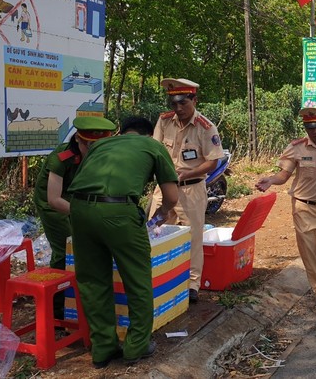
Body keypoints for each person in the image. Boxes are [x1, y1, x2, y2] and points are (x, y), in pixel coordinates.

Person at [65, 116, 179, 369]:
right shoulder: (153, 146)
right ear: (149, 134)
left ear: (123, 132)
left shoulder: (100, 145)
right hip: (119, 212)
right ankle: (136, 346)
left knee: (93, 281)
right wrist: (159, 217)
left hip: (79, 210)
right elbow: (171, 196)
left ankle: (103, 348)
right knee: (137, 279)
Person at [255, 108, 316, 309]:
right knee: (309, 252)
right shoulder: (296, 148)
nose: (314, 132)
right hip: (304, 207)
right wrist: (271, 180)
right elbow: (283, 175)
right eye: (309, 128)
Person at [147, 78, 224, 303]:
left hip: (191, 190)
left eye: (183, 103)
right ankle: (159, 278)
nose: (178, 109)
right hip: (164, 189)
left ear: (194, 100)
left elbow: (212, 162)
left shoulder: (206, 127)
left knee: (192, 236)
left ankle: (191, 284)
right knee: (155, 230)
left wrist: (185, 174)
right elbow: (154, 150)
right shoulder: (164, 122)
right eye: (174, 103)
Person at [33, 116, 116, 320]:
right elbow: (54, 199)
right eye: (90, 145)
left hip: (77, 200)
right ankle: (57, 308)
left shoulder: (100, 154)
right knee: (66, 248)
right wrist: (86, 213)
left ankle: (80, 300)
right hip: (52, 204)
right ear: (78, 140)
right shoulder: (61, 157)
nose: (95, 150)